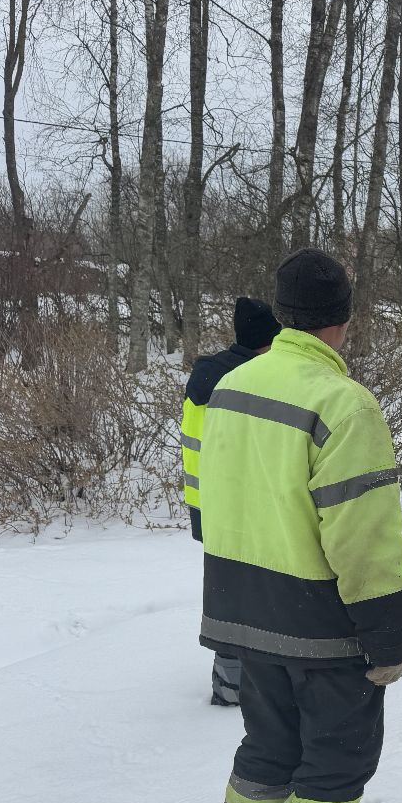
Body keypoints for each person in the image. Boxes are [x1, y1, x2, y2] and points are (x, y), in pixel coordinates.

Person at [197, 249, 402, 803]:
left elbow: (223, 497)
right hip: (321, 621)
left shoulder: (231, 387)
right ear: (344, 319)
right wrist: (389, 633)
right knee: (336, 756)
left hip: (245, 611)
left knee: (267, 743)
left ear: (282, 313)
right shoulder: (343, 405)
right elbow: (362, 536)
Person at [181, 297, 282, 706]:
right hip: (244, 504)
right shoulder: (249, 383)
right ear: (266, 340)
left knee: (229, 593)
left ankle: (231, 682)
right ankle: (242, 685)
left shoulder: (206, 377)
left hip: (207, 504)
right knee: (259, 593)